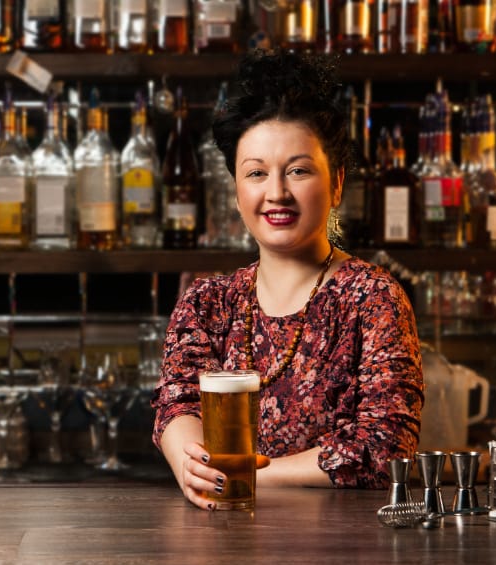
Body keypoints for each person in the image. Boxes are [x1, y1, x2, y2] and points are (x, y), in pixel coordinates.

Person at [151, 48, 424, 511]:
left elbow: (385, 448)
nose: (276, 192)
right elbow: (176, 406)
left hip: (344, 548)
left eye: (298, 170)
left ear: (336, 183)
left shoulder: (374, 298)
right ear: (237, 192)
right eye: (256, 173)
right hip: (223, 541)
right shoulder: (206, 302)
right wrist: (187, 461)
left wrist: (243, 477)